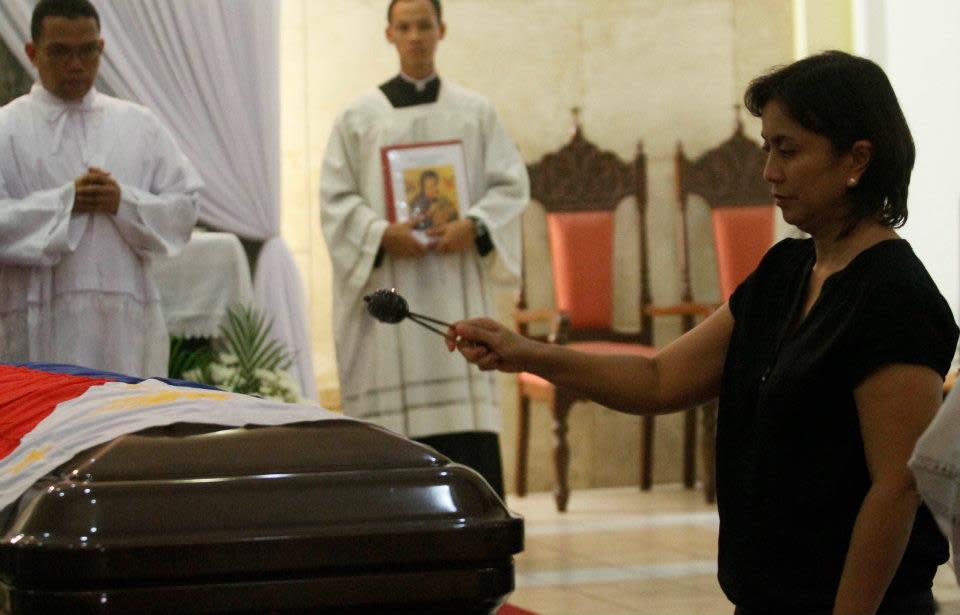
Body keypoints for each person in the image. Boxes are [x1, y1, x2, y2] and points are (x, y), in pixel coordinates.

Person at [447, 51, 959, 614]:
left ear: (856, 158)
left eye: (788, 150)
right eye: (768, 148)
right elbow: (659, 377)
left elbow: (895, 488)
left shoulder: (894, 296)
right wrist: (524, 352)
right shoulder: (785, 272)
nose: (770, 172)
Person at [320, 0, 528, 498]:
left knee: (466, 441)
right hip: (391, 299)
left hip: (456, 286)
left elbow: (510, 186)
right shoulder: (358, 117)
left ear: (442, 31)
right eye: (405, 26)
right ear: (389, 34)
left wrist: (474, 226)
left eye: (425, 25)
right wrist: (379, 232)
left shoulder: (474, 112)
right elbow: (334, 199)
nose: (416, 36)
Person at [0, 0, 202, 378]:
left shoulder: (139, 125)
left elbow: (184, 207)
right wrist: (65, 203)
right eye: (60, 51)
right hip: (36, 318)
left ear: (101, 48)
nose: (76, 65)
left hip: (122, 324)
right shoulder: (6, 128)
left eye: (87, 50)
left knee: (124, 428)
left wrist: (123, 202)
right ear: (32, 52)